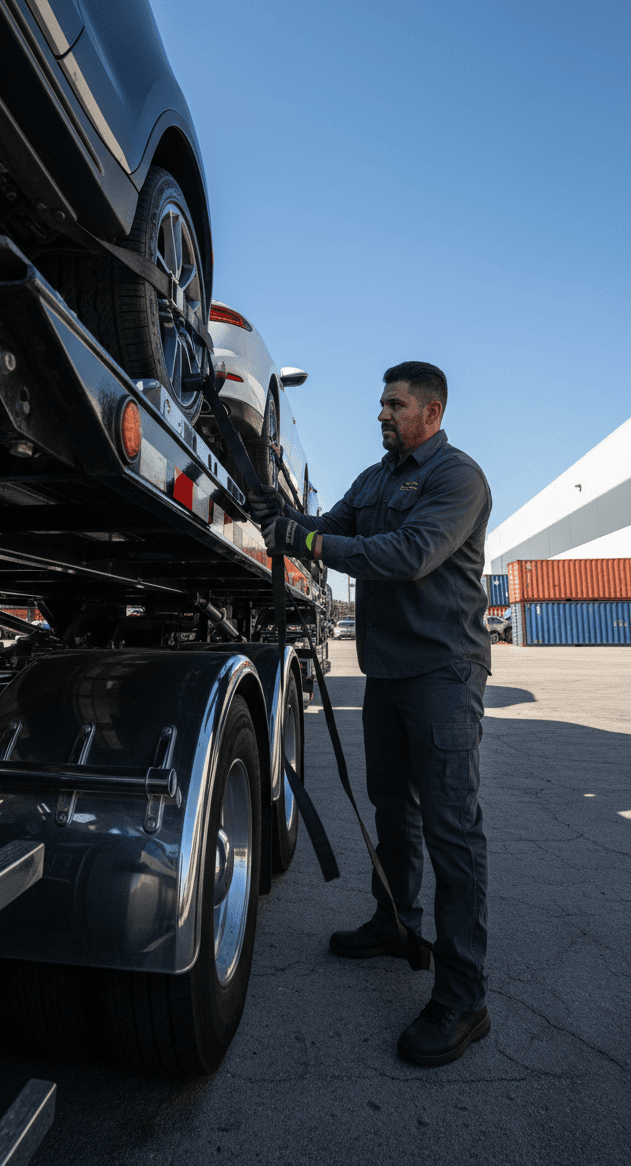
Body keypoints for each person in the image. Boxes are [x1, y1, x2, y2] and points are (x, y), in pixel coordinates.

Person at [248, 360, 492, 1068]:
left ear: (432, 413)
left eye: (394, 404)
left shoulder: (456, 478)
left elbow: (409, 554)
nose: (381, 414)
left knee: (452, 830)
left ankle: (464, 997)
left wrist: (309, 542)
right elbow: (323, 527)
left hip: (444, 672)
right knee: (393, 808)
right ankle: (394, 922)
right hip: (388, 672)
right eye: (381, 404)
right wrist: (278, 515)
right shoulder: (376, 478)